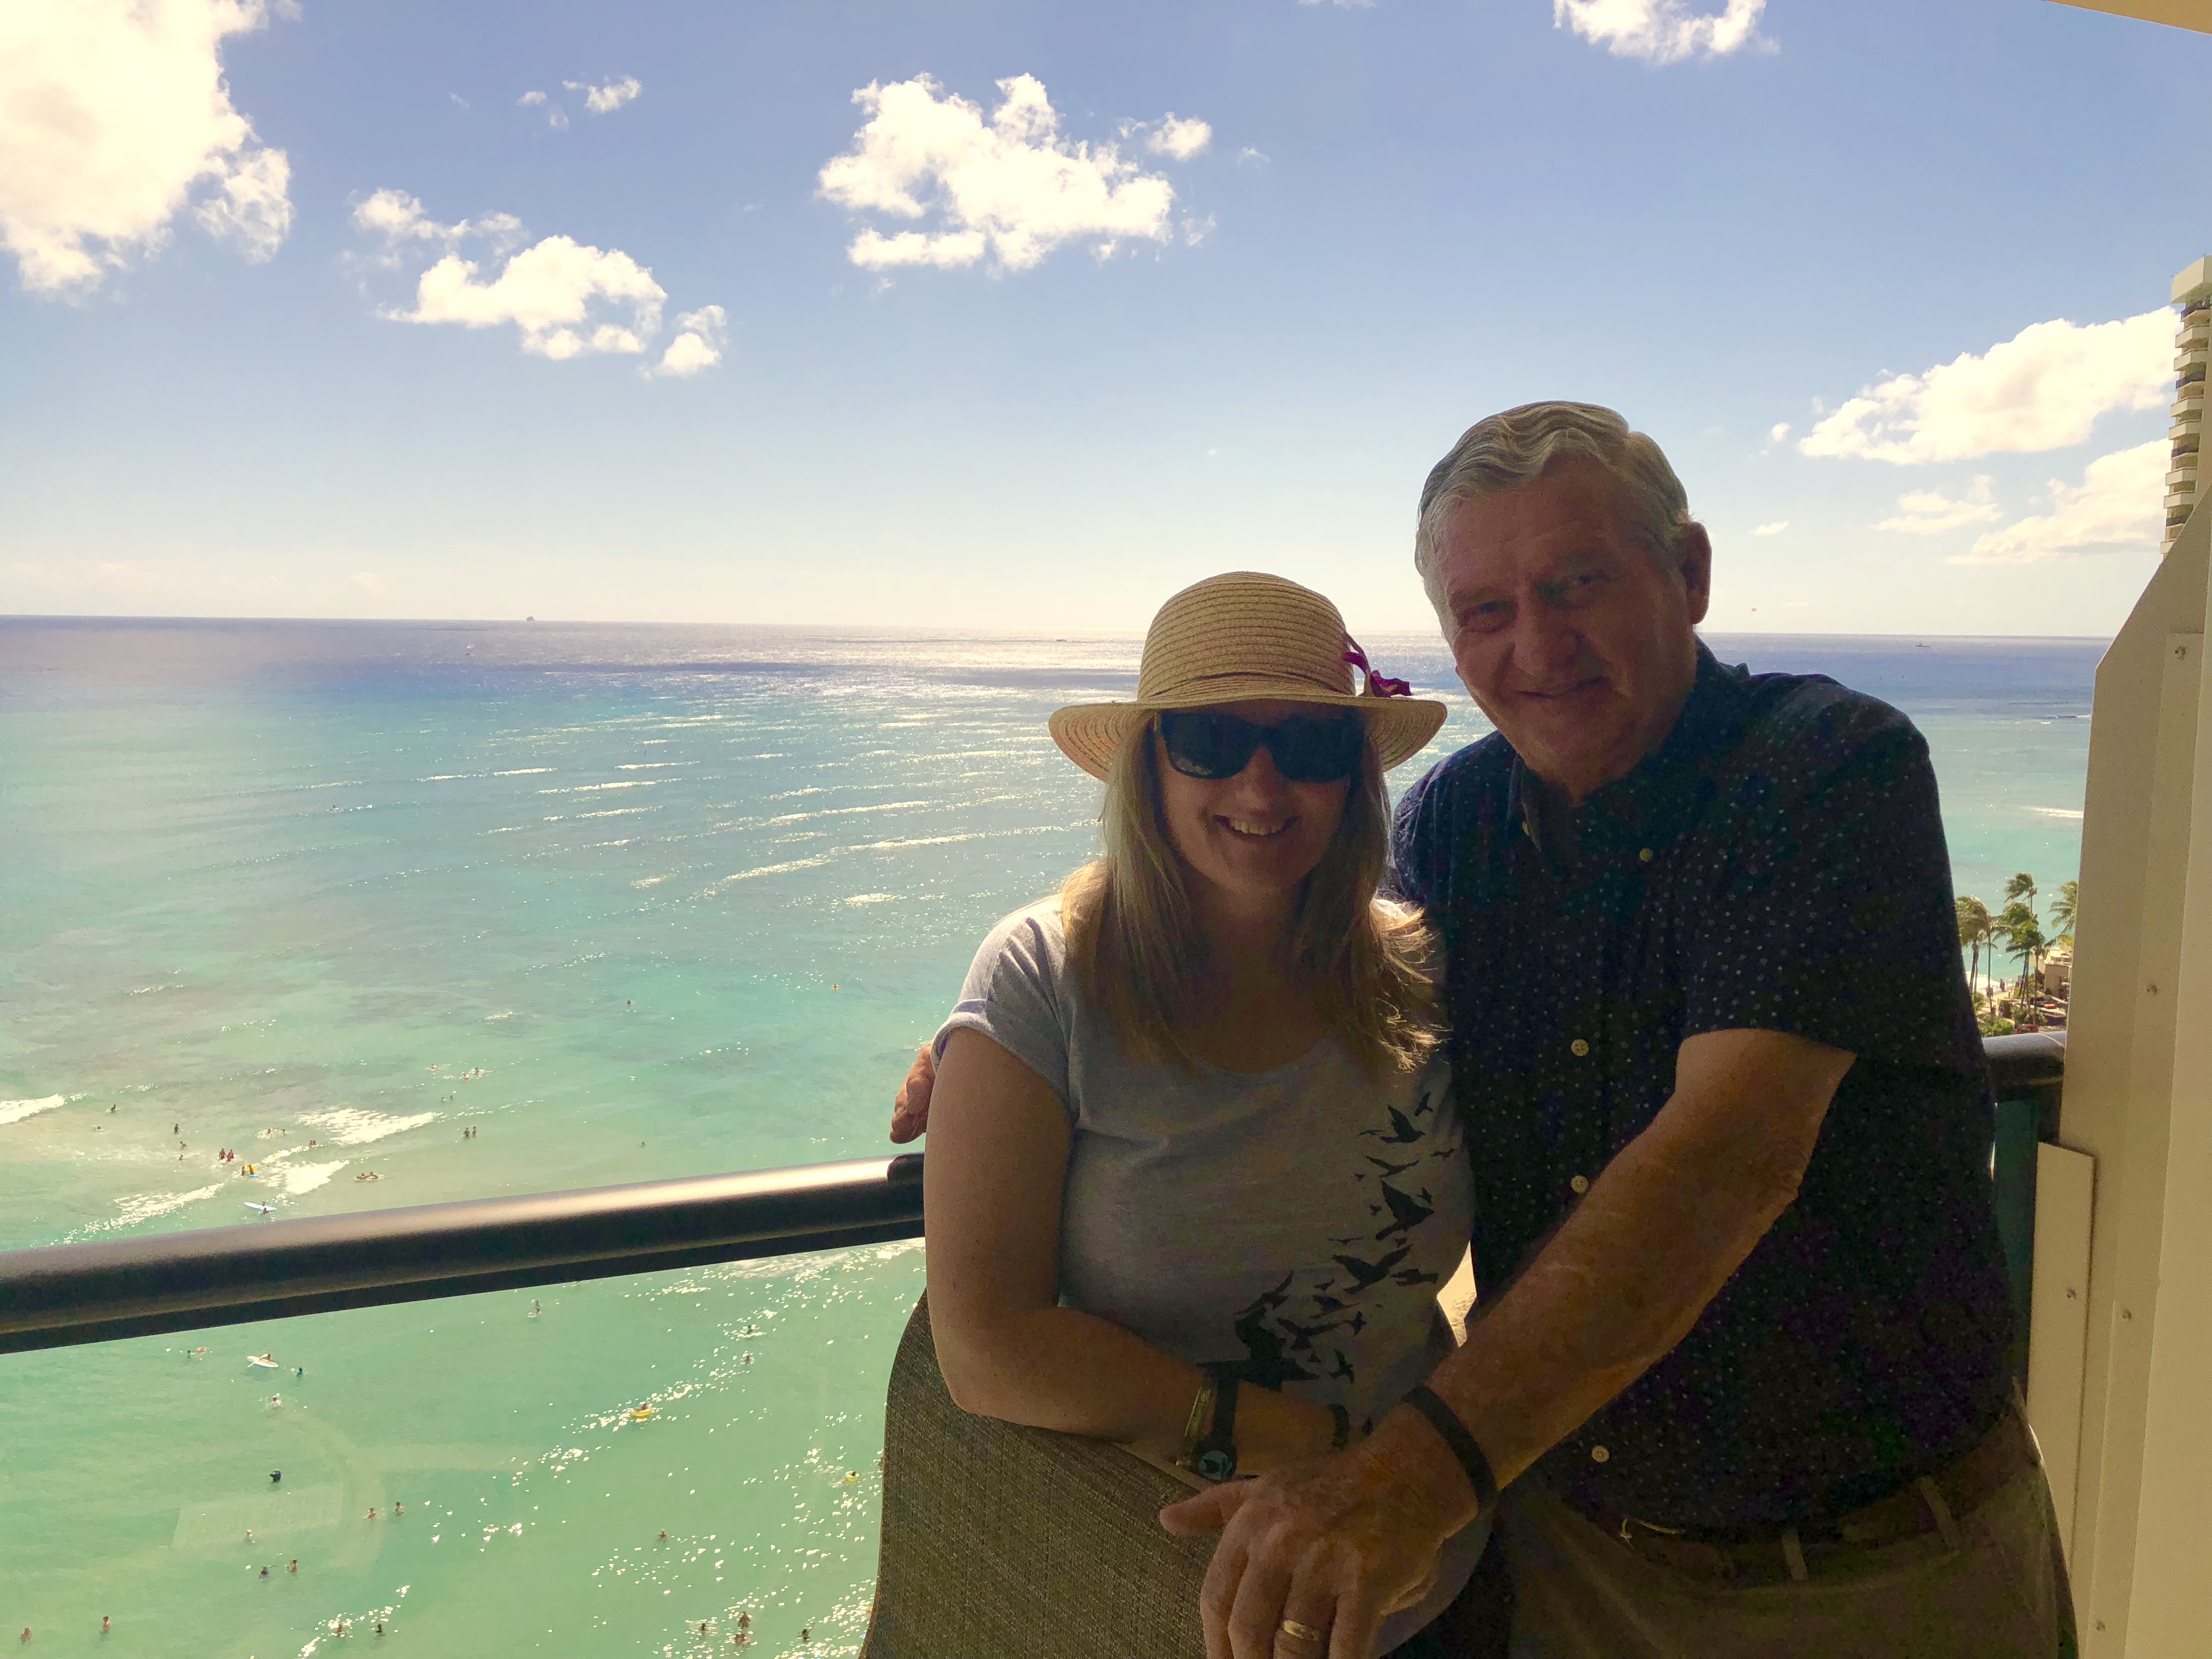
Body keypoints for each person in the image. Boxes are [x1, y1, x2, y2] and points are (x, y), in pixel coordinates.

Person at [896, 406, 2072, 1659]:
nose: (1537, 646)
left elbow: (1724, 1163)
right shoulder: (1459, 828)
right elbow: (1287, 932)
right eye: (1486, 610)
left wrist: (1412, 1476)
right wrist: (1004, 1039)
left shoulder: (1822, 771)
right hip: (1552, 1555)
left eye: (1578, 584)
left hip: (1860, 1570)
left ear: (1689, 575)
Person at [911, 572, 1500, 1655]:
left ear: (1355, 776)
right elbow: (986, 1347)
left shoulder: (1425, 974)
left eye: (1309, 746)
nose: (1261, 786)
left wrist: (1397, 1482)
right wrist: (1319, 1446)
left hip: (1431, 1591)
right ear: (1150, 766)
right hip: (1153, 1602)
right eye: (1212, 742)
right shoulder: (1047, 977)